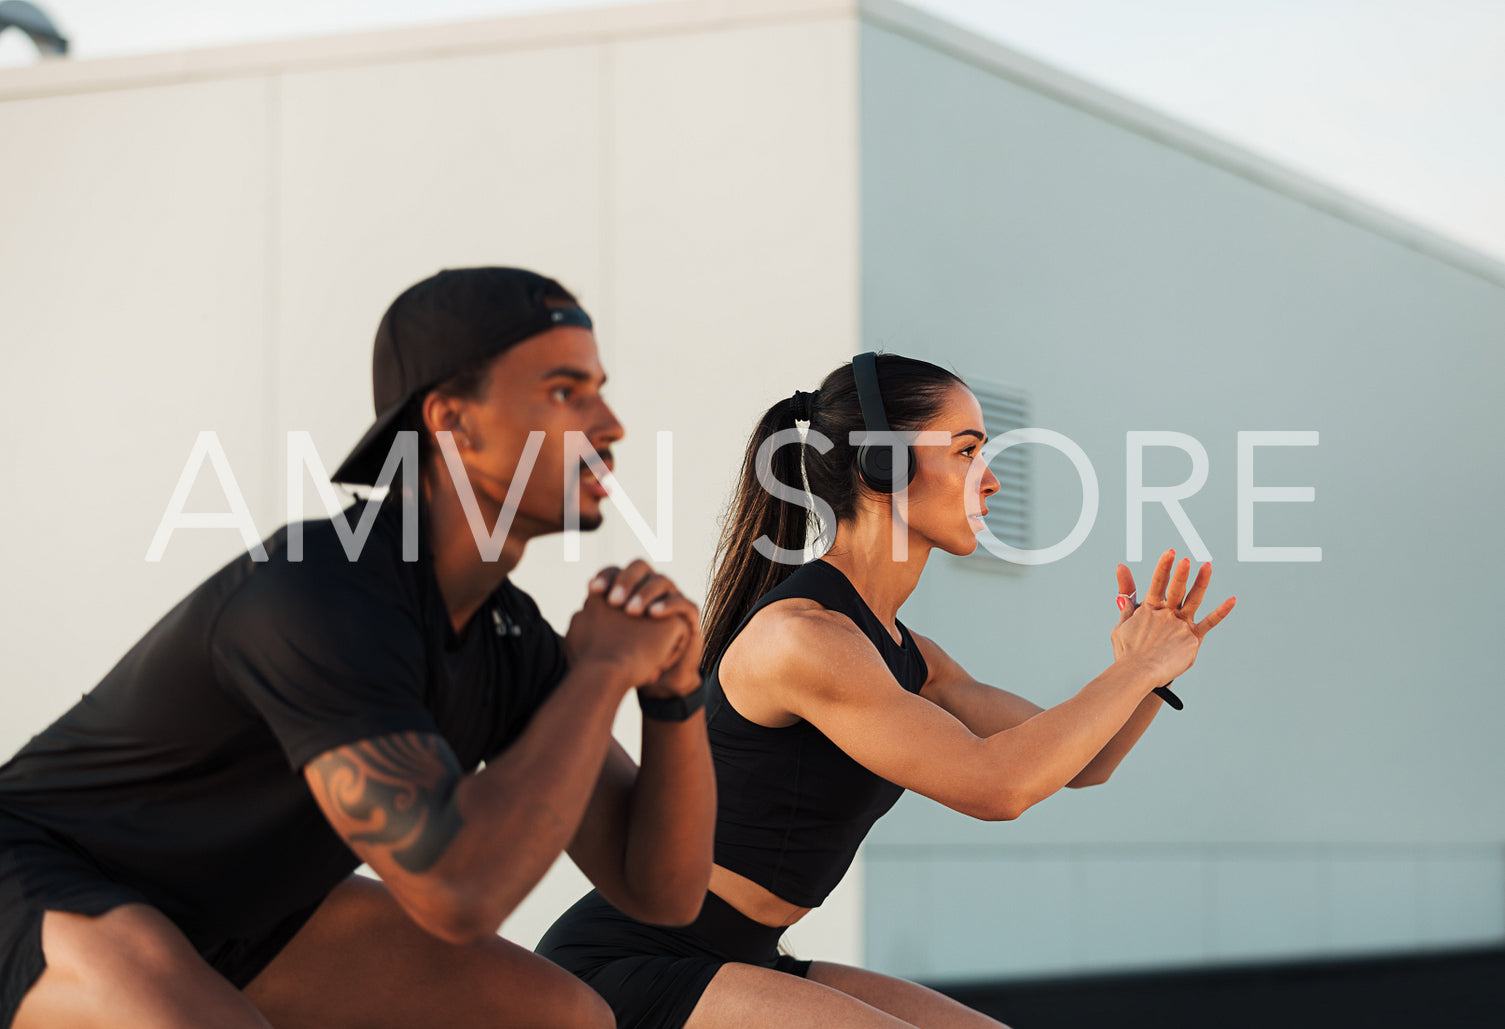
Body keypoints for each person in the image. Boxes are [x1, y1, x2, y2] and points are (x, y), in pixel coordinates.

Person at [0, 267, 717, 1029]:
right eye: (566, 392)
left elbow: (661, 891)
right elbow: (456, 891)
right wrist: (603, 668)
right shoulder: (318, 591)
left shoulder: (504, 635)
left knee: (562, 1018)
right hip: (50, 877)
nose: (610, 424)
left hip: (241, 912)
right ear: (453, 421)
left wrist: (672, 694)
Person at [536, 352, 1236, 1029]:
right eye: (966, 451)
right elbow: (996, 786)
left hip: (741, 954)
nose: (990, 481)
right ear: (883, 466)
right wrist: (1131, 671)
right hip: (631, 964)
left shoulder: (907, 656)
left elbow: (1084, 761)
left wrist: (1149, 672)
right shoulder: (804, 639)